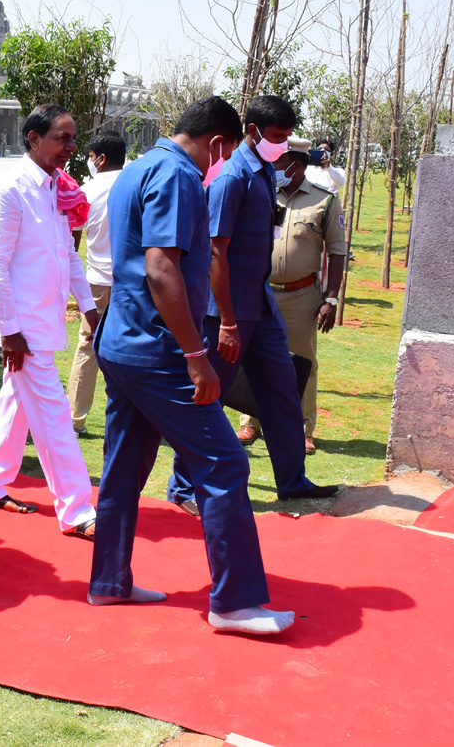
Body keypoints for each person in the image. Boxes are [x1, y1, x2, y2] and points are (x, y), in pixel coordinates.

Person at [89, 95, 295, 634]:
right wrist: (196, 355)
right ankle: (235, 603)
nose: (216, 167)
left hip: (122, 342)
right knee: (225, 465)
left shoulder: (134, 169)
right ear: (219, 143)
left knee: (123, 466)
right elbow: (161, 270)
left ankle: (109, 581)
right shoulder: (180, 173)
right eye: (219, 157)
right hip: (158, 351)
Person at [166, 95, 338, 514]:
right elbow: (215, 252)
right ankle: (183, 486)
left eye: (286, 138)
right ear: (252, 132)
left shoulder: (263, 172)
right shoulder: (231, 177)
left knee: (281, 390)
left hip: (261, 306)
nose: (283, 145)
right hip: (227, 312)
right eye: (276, 137)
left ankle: (292, 481)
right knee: (209, 394)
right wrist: (226, 320)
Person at [0, 105, 99, 538]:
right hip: (21, 328)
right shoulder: (7, 189)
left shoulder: (56, 188)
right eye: (62, 137)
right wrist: (9, 330)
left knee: (15, 402)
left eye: (73, 138)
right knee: (53, 413)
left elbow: (66, 254)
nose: (70, 147)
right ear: (33, 138)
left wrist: (89, 306)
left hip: (43, 321)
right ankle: (78, 508)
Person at [238, 137, 348, 454]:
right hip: (261, 292)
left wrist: (330, 298)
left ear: (296, 165)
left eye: (279, 161)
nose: (273, 166)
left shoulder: (324, 200)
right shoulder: (263, 194)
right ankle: (251, 423)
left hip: (302, 297)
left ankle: (302, 428)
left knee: (302, 363)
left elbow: (338, 252)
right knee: (254, 358)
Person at [67, 130, 127, 435]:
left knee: (87, 347)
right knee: (129, 348)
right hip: (131, 283)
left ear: (100, 159)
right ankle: (129, 418)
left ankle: (75, 418)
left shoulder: (86, 191)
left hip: (96, 282)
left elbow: (71, 243)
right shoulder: (135, 185)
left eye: (90, 158)